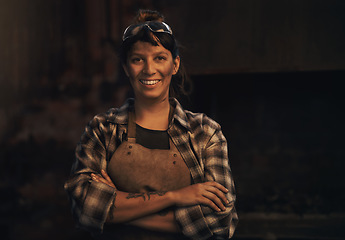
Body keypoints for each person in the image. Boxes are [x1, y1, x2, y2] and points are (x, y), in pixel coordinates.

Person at [64, 9, 238, 240]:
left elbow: (219, 221)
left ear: (174, 65)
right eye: (138, 60)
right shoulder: (103, 129)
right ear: (126, 68)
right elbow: (84, 208)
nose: (149, 69)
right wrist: (174, 197)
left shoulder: (205, 132)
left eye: (159, 58)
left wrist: (114, 208)